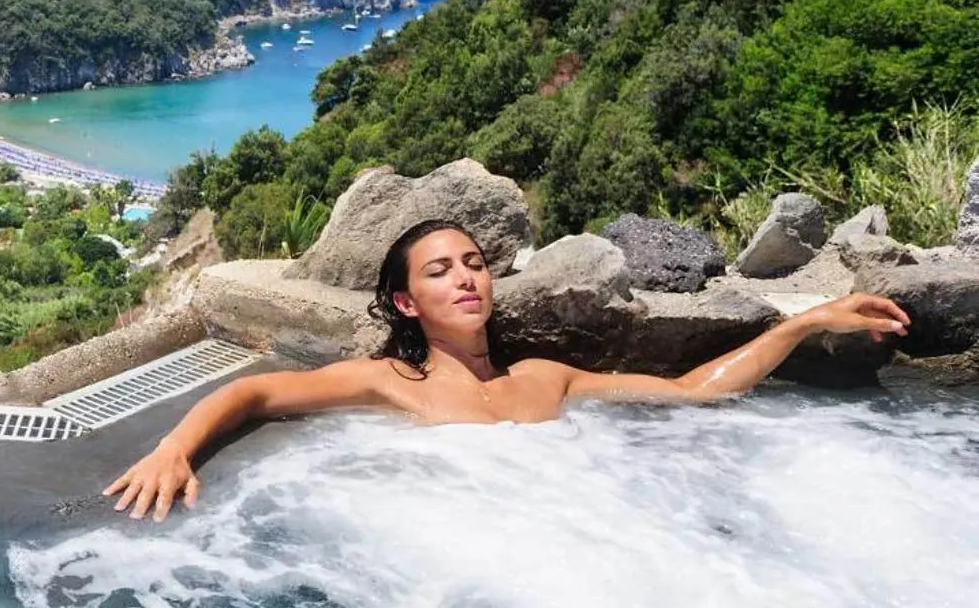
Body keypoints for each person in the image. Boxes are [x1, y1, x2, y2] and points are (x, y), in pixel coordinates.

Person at [105, 217, 911, 521]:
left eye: (475, 263)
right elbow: (255, 392)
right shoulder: (393, 380)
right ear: (407, 302)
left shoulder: (545, 378)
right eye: (440, 270)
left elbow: (689, 394)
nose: (465, 277)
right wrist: (176, 448)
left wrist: (803, 323)